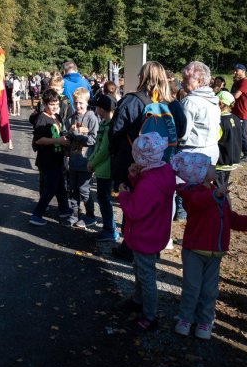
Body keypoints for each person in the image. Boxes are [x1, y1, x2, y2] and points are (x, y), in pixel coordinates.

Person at [171, 152, 247, 340]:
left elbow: (229, 218)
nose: (215, 167)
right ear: (201, 173)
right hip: (194, 252)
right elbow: (198, 203)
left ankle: (205, 321)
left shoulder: (216, 191)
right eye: (210, 165)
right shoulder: (192, 191)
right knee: (192, 287)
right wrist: (217, 194)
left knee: (210, 291)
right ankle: (185, 318)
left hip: (216, 252)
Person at [109, 61, 186, 262]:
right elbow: (182, 132)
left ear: (142, 76)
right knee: (160, 205)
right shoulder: (174, 104)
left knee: (133, 202)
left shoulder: (131, 101)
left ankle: (129, 247)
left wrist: (115, 156)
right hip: (163, 164)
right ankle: (154, 247)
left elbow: (115, 132)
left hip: (134, 163)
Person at [118, 133, 175, 331]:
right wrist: (135, 177)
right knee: (140, 270)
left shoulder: (149, 184)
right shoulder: (164, 171)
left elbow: (134, 210)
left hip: (145, 235)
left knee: (147, 276)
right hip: (155, 232)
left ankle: (150, 316)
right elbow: (148, 197)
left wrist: (124, 195)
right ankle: (137, 300)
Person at [29, 89, 71, 226]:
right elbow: (39, 140)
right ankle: (36, 215)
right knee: (50, 188)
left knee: (60, 186)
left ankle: (64, 209)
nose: (54, 107)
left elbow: (61, 133)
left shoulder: (57, 117)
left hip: (58, 158)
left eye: (56, 104)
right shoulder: (42, 118)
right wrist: (58, 141)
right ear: (45, 103)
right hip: (47, 160)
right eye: (51, 104)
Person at [65, 87, 99, 229]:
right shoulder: (71, 118)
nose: (78, 106)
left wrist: (77, 136)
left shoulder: (91, 117)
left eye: (81, 103)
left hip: (86, 162)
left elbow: (93, 139)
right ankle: (74, 214)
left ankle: (90, 215)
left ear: (86, 102)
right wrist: (68, 134)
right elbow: (66, 133)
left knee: (84, 190)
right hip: (73, 161)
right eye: (76, 103)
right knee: (73, 189)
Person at [87, 94, 118, 242]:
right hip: (103, 168)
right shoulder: (107, 123)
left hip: (105, 170)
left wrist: (92, 163)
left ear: (102, 109)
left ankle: (109, 230)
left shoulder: (109, 127)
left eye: (97, 107)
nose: (95, 109)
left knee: (104, 199)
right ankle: (109, 227)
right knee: (104, 198)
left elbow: (103, 149)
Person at [180, 61, 221, 165]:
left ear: (199, 81)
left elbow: (182, 133)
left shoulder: (190, 101)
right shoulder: (213, 99)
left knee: (185, 182)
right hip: (212, 150)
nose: (181, 82)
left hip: (193, 154)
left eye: (185, 78)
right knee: (206, 181)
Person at [214, 91, 241, 187]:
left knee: (219, 190)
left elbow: (214, 139)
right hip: (232, 159)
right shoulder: (236, 118)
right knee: (223, 186)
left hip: (221, 161)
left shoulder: (219, 121)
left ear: (221, 103)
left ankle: (223, 202)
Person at [231, 63, 247, 162]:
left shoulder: (246, 82)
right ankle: (237, 152)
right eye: (234, 70)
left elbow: (236, 96)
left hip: (242, 112)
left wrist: (225, 94)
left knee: (242, 134)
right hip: (235, 111)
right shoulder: (237, 82)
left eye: (236, 70)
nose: (234, 72)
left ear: (243, 71)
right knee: (236, 133)